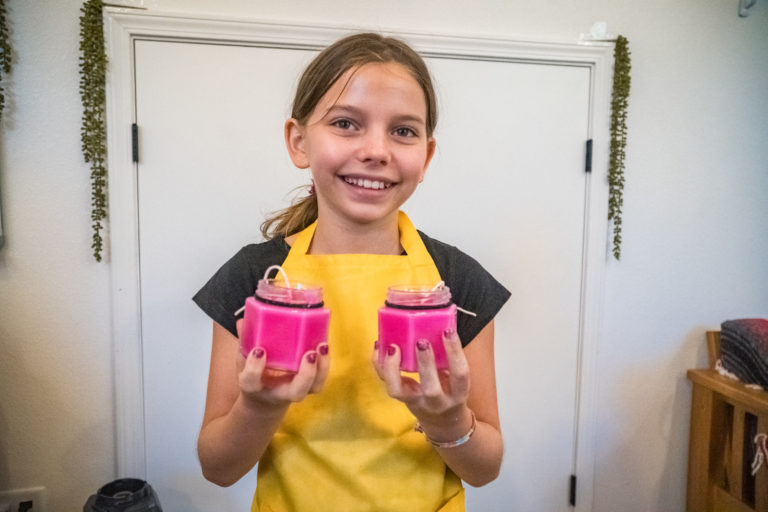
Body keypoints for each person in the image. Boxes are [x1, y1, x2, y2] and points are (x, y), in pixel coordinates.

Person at [193, 32, 510, 512]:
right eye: (346, 123)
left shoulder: (457, 283)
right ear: (298, 142)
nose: (376, 150)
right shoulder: (255, 278)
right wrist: (260, 407)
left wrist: (447, 421)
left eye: (403, 131)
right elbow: (217, 468)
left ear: (424, 157)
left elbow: (485, 470)